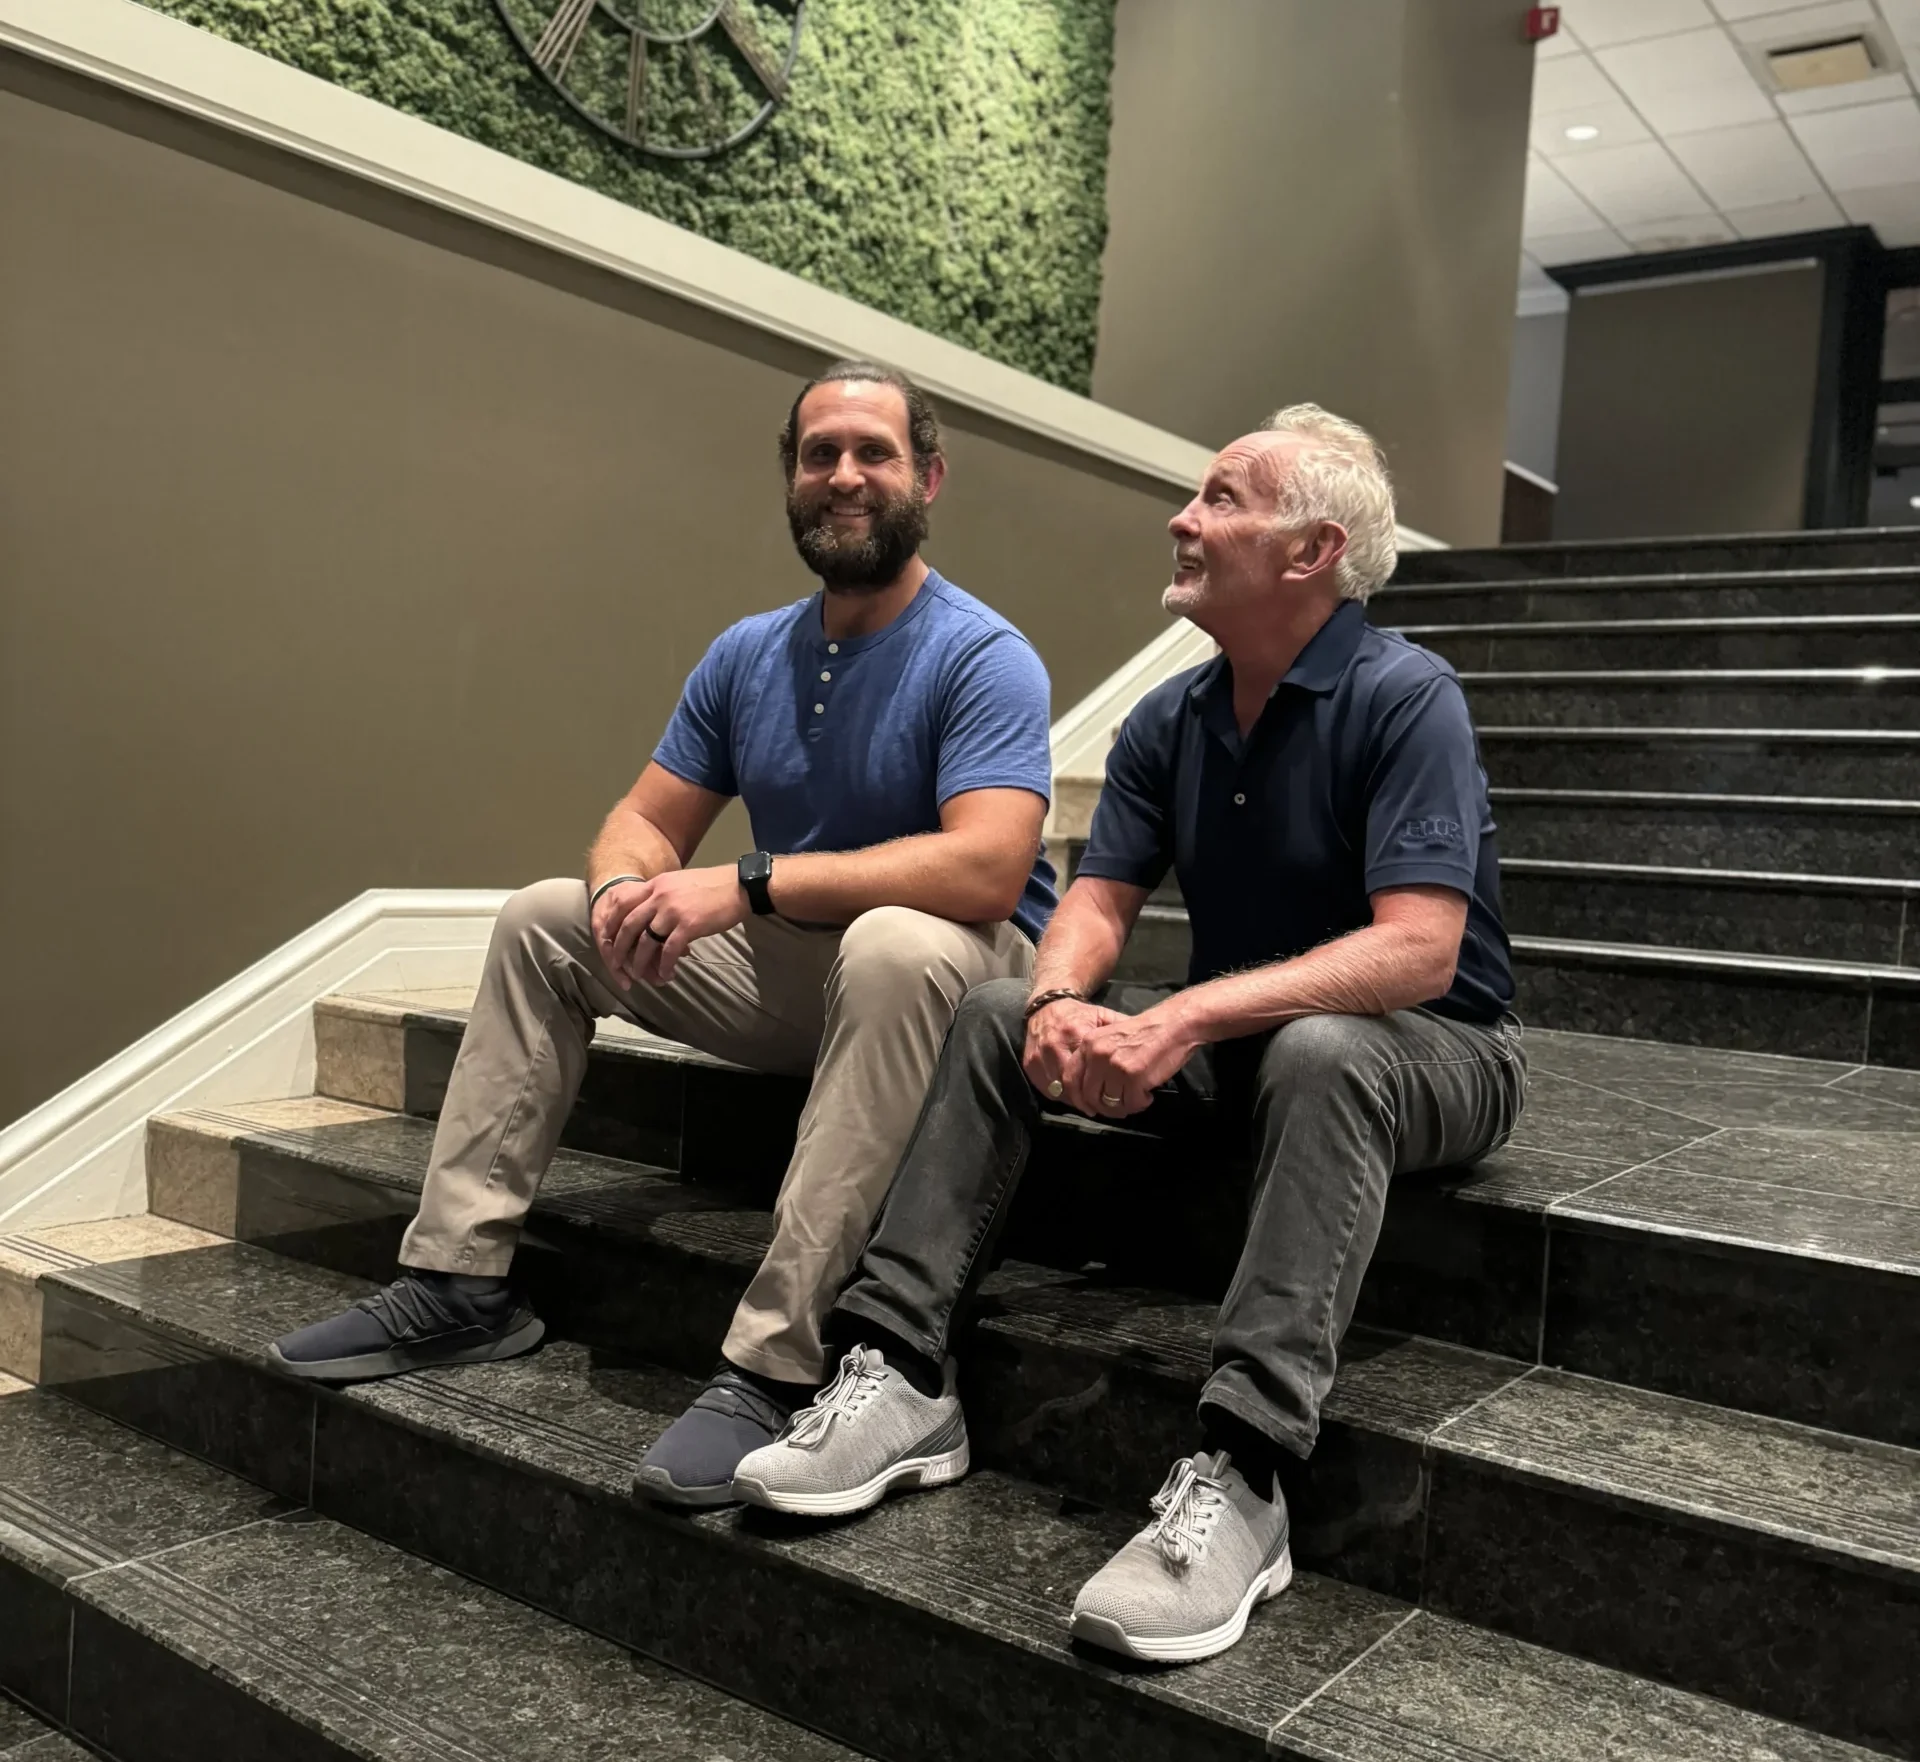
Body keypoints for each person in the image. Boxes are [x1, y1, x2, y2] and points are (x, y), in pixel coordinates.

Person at [725, 404, 1527, 1664]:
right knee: (994, 1009)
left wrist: (1186, 1014)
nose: (1182, 517)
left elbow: (1421, 949)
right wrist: (1057, 1004)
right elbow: (1096, 900)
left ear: (1312, 551)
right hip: (1254, 1040)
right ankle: (902, 1376)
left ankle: (1247, 1475)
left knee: (1324, 1050)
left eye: (1220, 498)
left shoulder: (1403, 693)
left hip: (1437, 1047)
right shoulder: (1172, 716)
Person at [269, 360, 1058, 1510]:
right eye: (818, 453)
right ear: (791, 479)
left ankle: (778, 1363)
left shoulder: (982, 653)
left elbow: (987, 865)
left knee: (893, 942)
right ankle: (457, 1283)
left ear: (927, 476)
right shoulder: (749, 653)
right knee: (546, 917)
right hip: (816, 970)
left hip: (960, 984)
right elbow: (643, 819)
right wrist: (622, 897)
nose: (843, 475)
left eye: (872, 453)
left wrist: (745, 881)